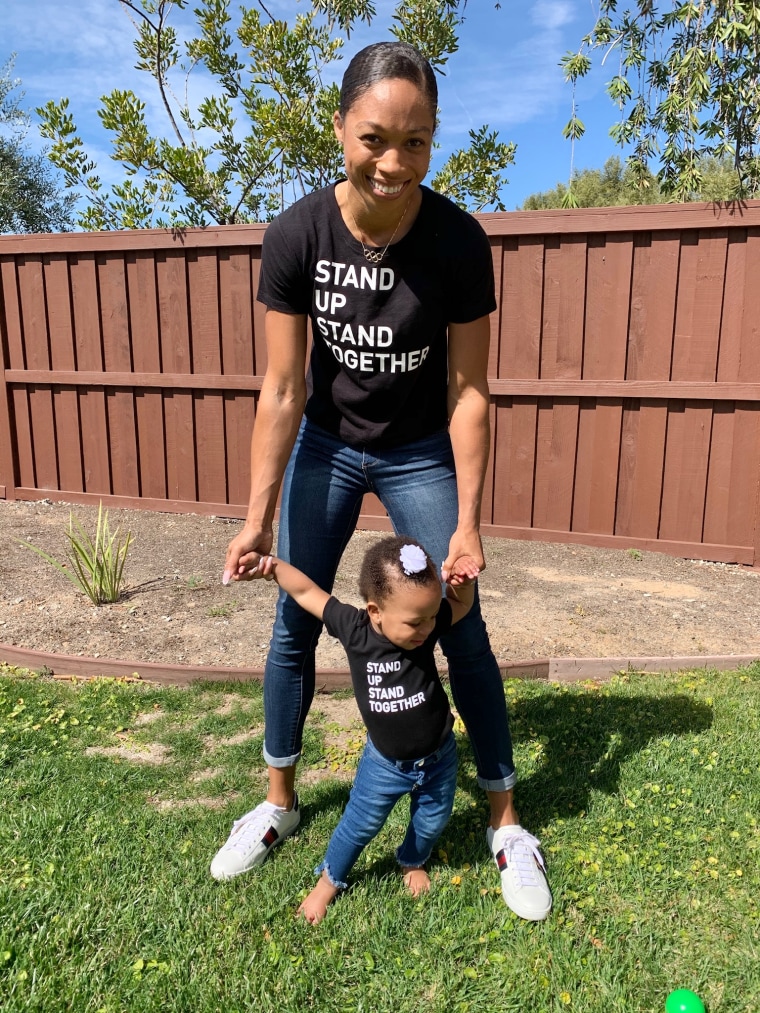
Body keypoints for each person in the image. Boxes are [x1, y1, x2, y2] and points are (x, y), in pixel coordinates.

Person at [210, 39, 552, 922]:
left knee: (462, 620)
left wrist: (468, 521)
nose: (393, 162)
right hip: (328, 443)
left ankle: (507, 822)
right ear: (340, 130)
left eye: (416, 142)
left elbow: (470, 390)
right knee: (295, 621)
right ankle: (279, 804)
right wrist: (257, 517)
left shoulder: (457, 242)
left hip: (417, 450)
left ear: (433, 141)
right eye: (374, 139)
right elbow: (284, 387)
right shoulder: (296, 235)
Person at [240, 535, 477, 924]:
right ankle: (329, 882)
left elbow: (462, 605)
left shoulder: (426, 624)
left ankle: (412, 859)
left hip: (440, 755)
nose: (427, 628)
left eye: (432, 616)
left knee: (433, 818)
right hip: (385, 764)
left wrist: (463, 585)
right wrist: (273, 567)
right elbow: (307, 592)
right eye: (416, 621)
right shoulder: (354, 628)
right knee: (360, 825)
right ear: (375, 611)